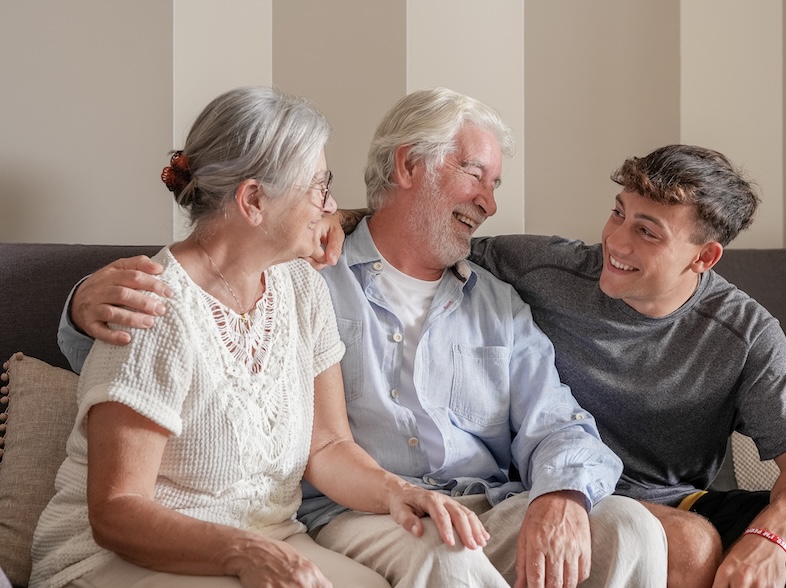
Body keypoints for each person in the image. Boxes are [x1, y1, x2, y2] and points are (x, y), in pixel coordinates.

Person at [58, 88, 668, 587]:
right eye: (475, 175)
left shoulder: (489, 297)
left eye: (496, 185)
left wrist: (561, 492)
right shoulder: (316, 272)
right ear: (407, 166)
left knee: (631, 529)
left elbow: (329, 441)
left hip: (474, 499)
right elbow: (155, 339)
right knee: (443, 554)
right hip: (344, 518)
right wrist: (79, 305)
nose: (489, 203)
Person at [32, 86, 490, 588]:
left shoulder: (302, 287)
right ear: (253, 200)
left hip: (270, 538)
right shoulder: (153, 306)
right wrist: (242, 552)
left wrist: (396, 491)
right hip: (124, 560)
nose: (331, 205)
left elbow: (329, 445)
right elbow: (117, 511)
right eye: (320, 186)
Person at [468, 144, 786, 587]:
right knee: (689, 543)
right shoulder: (544, 269)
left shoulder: (743, 331)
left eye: (647, 232)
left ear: (704, 257)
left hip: (679, 504)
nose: (616, 241)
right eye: (619, 213)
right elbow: (428, 252)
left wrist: (771, 539)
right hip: (559, 491)